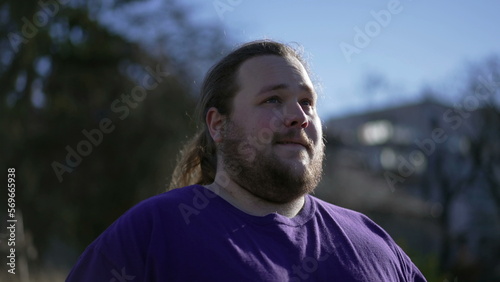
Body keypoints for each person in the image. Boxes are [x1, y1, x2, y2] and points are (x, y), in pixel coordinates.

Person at [67, 40, 426, 281]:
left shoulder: (373, 242)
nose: (299, 116)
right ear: (218, 125)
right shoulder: (153, 233)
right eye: (273, 99)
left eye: (308, 102)